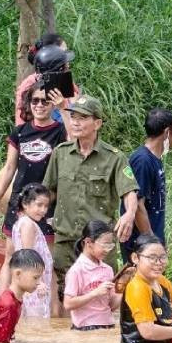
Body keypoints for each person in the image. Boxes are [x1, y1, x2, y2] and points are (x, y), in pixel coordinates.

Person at [42, 95, 138, 278]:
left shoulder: (114, 158)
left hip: (99, 243)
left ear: (97, 123)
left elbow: (129, 192)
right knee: (64, 290)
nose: (76, 122)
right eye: (73, 117)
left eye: (83, 118)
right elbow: (48, 192)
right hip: (66, 240)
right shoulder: (61, 153)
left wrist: (130, 214)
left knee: (103, 289)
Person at [0, 85, 67, 234]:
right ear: (29, 103)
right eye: (35, 100)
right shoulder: (20, 132)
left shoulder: (61, 131)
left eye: (45, 101)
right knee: (13, 246)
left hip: (47, 202)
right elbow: (10, 168)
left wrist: (63, 108)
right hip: (20, 199)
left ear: (52, 104)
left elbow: (75, 143)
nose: (39, 105)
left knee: (43, 248)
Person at [3, 183, 55, 320]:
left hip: (29, 282)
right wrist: (39, 282)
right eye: (39, 205)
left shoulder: (21, 222)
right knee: (36, 323)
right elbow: (27, 256)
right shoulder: (28, 225)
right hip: (34, 284)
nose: (43, 210)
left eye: (46, 206)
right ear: (25, 204)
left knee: (27, 320)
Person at [128, 107, 172, 255]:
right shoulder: (143, 161)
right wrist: (152, 244)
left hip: (151, 240)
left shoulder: (154, 159)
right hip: (141, 245)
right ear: (167, 132)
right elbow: (137, 205)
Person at [0, 249, 45, 343]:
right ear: (18, 274)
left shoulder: (14, 299)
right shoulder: (9, 305)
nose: (39, 282)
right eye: (35, 278)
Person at [63, 220, 120, 331]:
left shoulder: (107, 269)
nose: (107, 250)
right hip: (84, 329)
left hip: (108, 326)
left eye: (110, 245)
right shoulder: (76, 270)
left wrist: (125, 287)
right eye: (105, 244)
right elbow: (68, 304)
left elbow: (112, 306)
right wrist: (95, 293)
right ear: (88, 242)